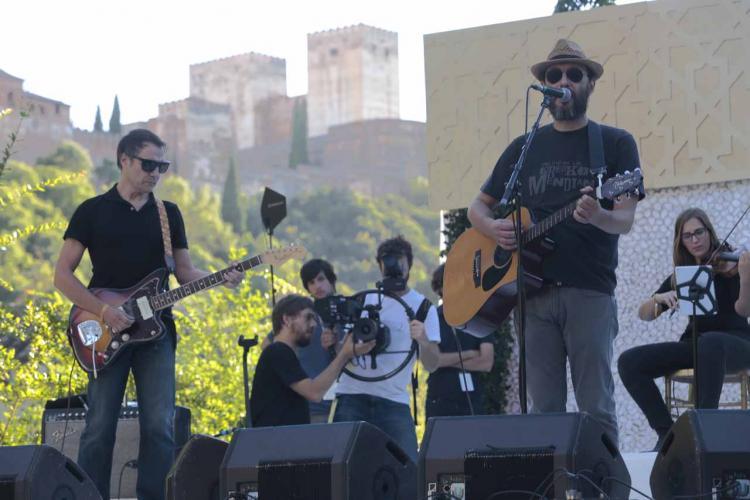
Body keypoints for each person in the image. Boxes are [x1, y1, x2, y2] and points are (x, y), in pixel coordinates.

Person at [467, 39, 645, 446]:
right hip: (531, 295)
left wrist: (599, 215)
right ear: (545, 86)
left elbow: (625, 220)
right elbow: (479, 206)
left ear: (590, 83)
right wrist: (493, 229)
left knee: (595, 405)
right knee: (544, 411)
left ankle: (604, 489)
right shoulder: (523, 147)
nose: (563, 80)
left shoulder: (616, 144)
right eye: (554, 75)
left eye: (573, 74)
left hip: (589, 292)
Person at [54, 129, 244, 500]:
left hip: (156, 334)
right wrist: (105, 311)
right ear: (124, 160)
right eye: (148, 164)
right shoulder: (91, 211)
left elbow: (185, 272)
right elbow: (62, 277)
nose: (155, 172)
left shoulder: (167, 213)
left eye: (163, 166)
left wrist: (222, 277)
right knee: (98, 427)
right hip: (105, 332)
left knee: (160, 426)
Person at [618, 208, 750, 448]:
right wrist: (658, 299)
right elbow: (644, 314)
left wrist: (746, 275)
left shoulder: (731, 266)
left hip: (736, 344)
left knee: (710, 342)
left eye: (699, 232)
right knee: (629, 362)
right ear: (681, 242)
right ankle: (668, 436)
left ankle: (701, 431)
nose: (695, 240)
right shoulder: (684, 275)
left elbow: (744, 310)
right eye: (687, 236)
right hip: (697, 346)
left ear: (709, 231)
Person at [332, 236, 441, 461]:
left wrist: (423, 339)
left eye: (398, 261)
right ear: (379, 265)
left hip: (394, 401)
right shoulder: (363, 301)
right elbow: (341, 353)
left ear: (409, 264)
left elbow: (432, 364)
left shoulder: (423, 308)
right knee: (342, 471)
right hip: (352, 396)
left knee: (407, 470)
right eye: (387, 261)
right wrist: (345, 343)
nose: (393, 267)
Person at [250, 294, 374, 427]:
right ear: (286, 319)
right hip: (275, 444)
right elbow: (314, 393)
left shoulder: (282, 353)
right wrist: (344, 355)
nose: (314, 324)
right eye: (308, 317)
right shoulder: (278, 351)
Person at [260, 258, 340, 422]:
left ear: (331, 280)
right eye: (311, 282)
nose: (317, 286)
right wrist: (291, 366)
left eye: (321, 279)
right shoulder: (302, 315)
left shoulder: (346, 312)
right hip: (306, 402)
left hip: (338, 403)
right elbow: (268, 343)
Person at [426, 264, 494, 418]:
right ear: (440, 288)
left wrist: (445, 360)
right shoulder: (432, 318)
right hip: (439, 399)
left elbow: (486, 363)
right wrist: (470, 353)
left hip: (472, 400)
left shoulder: (478, 317)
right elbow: (433, 361)